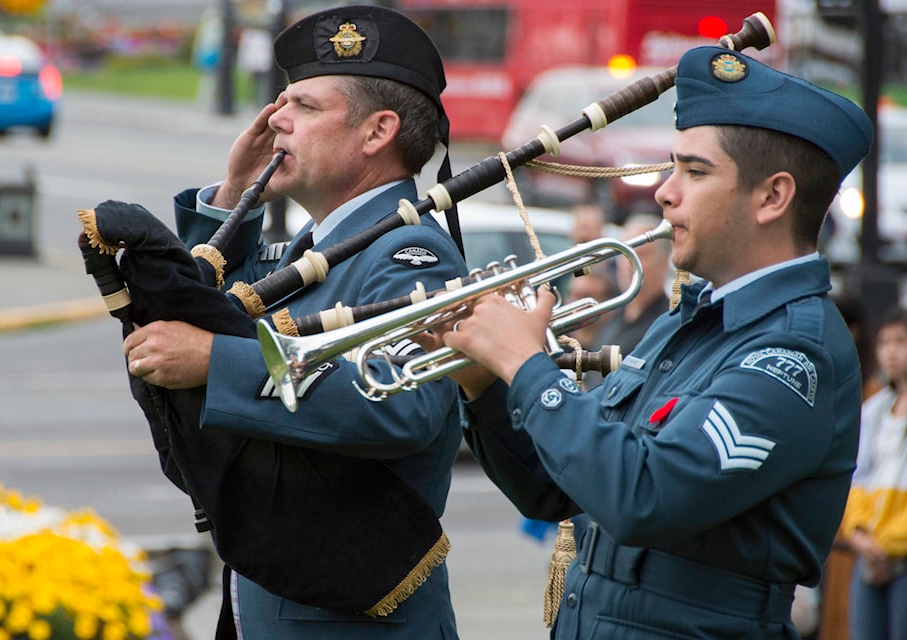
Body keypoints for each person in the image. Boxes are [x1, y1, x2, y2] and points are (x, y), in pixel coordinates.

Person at [432, 45, 874, 639]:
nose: (665, 193)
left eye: (694, 172)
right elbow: (555, 489)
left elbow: (642, 497)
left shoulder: (793, 355)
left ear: (773, 197)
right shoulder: (688, 321)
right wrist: (485, 385)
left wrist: (526, 363)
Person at [120, 5, 467, 639]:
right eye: (283, 103)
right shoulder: (321, 245)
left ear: (377, 132)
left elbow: (404, 404)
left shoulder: (409, 253)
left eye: (304, 107)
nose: (276, 118)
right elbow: (212, 310)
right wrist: (232, 195)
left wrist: (214, 363)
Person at [839, 307, 907, 640]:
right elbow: (858, 476)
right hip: (869, 556)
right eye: (884, 342)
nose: (890, 351)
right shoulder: (875, 408)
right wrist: (859, 533)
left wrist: (889, 542)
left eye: (901, 341)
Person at [589, 212, 672, 357]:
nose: (629, 263)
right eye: (624, 253)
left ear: (664, 262)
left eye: (641, 254)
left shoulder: (668, 324)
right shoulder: (612, 317)